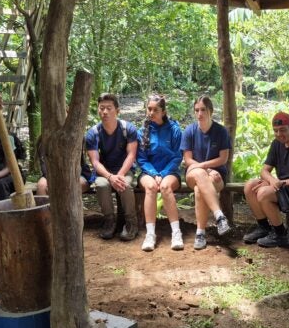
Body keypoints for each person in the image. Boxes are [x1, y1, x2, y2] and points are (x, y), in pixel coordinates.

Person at [242, 112, 289, 248]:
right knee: (250, 186)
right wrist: (272, 180)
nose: (279, 134)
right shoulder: (277, 144)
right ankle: (264, 227)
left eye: (283, 130)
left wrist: (278, 183)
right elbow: (264, 171)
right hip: (283, 186)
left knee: (263, 193)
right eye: (275, 131)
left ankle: (280, 234)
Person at [181, 95, 233, 250]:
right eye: (196, 110)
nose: (199, 113)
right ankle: (219, 216)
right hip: (194, 172)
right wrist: (207, 169)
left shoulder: (221, 131)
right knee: (199, 175)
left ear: (211, 111)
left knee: (199, 190)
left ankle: (200, 233)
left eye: (203, 109)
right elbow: (188, 159)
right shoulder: (189, 131)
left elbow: (223, 158)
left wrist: (208, 170)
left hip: (217, 176)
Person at [85, 93, 139, 241]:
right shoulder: (93, 133)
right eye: (101, 108)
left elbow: (131, 155)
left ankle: (131, 223)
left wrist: (119, 175)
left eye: (109, 108)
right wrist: (110, 177)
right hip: (104, 172)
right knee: (101, 185)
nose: (105, 112)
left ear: (117, 110)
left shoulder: (128, 129)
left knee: (125, 185)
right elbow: (95, 162)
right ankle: (109, 220)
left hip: (125, 170)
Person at [137, 94, 183, 251]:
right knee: (150, 187)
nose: (151, 112)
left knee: (165, 187)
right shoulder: (143, 131)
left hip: (170, 172)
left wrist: (162, 174)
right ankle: (150, 234)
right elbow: (141, 159)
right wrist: (154, 173)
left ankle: (176, 233)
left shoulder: (175, 130)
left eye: (155, 110)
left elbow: (177, 156)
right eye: (149, 109)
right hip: (148, 172)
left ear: (163, 111)